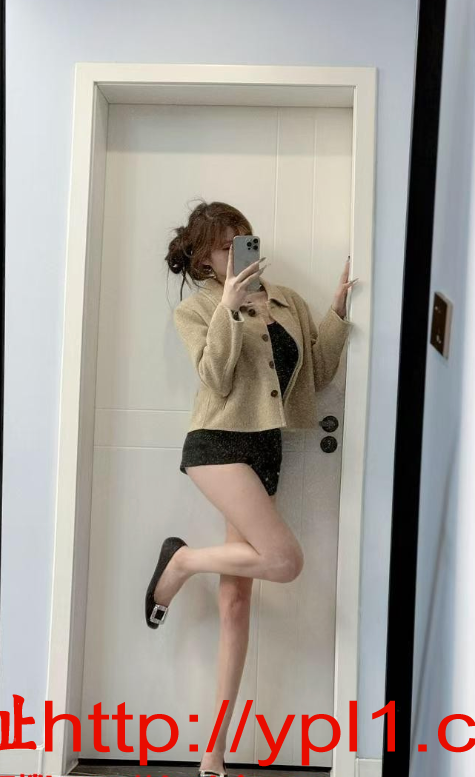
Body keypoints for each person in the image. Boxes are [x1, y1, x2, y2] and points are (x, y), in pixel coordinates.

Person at [146, 200, 357, 777]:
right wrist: (229, 310)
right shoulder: (197, 308)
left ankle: (212, 754)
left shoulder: (289, 302)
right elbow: (214, 377)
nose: (237, 249)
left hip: (267, 449)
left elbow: (317, 375)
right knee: (285, 561)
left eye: (242, 237)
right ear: (204, 260)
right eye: (223, 245)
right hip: (217, 445)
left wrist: (338, 310)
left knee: (236, 601)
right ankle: (182, 562)